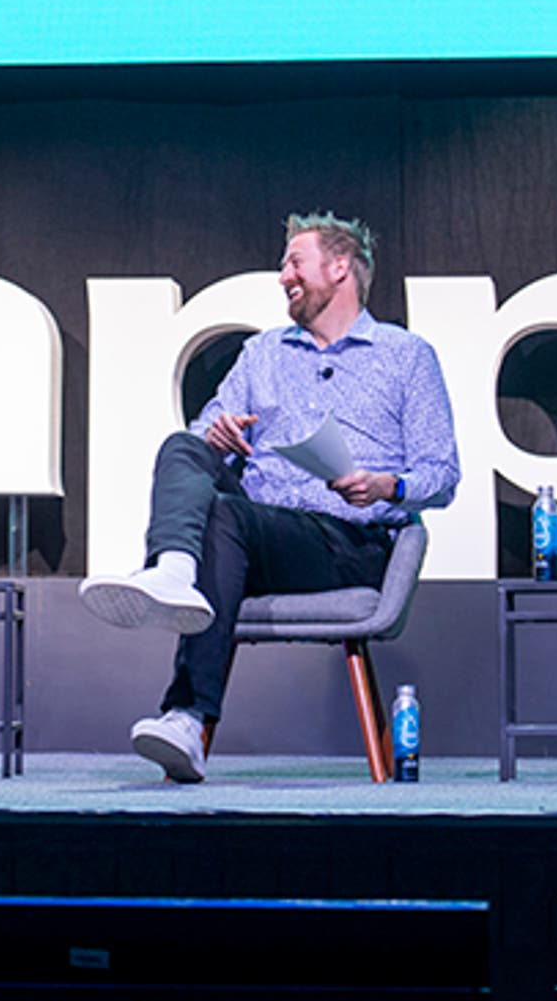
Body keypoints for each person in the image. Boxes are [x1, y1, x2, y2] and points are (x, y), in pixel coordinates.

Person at [77, 213, 459, 782]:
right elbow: (213, 424)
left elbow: (443, 473)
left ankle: (186, 714)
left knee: (225, 518)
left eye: (294, 261)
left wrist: (388, 486)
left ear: (339, 267)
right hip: (259, 532)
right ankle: (176, 572)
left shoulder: (406, 355)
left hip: (346, 540)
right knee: (185, 445)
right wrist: (221, 430)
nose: (284, 276)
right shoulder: (263, 353)